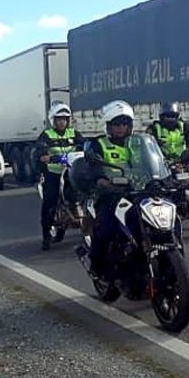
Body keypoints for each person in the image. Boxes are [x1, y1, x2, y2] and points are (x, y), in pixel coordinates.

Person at [81, 99, 138, 280]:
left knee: (166, 221)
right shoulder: (98, 144)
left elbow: (154, 160)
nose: (121, 128)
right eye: (116, 124)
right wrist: (101, 178)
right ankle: (97, 266)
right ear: (108, 126)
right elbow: (92, 164)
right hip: (109, 195)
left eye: (124, 123)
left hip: (137, 191)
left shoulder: (137, 143)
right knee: (106, 227)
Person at [34, 102, 87, 251]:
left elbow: (85, 145)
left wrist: (89, 152)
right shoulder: (47, 135)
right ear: (53, 120)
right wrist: (46, 156)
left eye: (64, 118)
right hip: (53, 173)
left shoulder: (74, 133)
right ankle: (46, 236)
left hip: (72, 171)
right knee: (50, 200)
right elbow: (40, 149)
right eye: (59, 119)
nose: (62, 122)